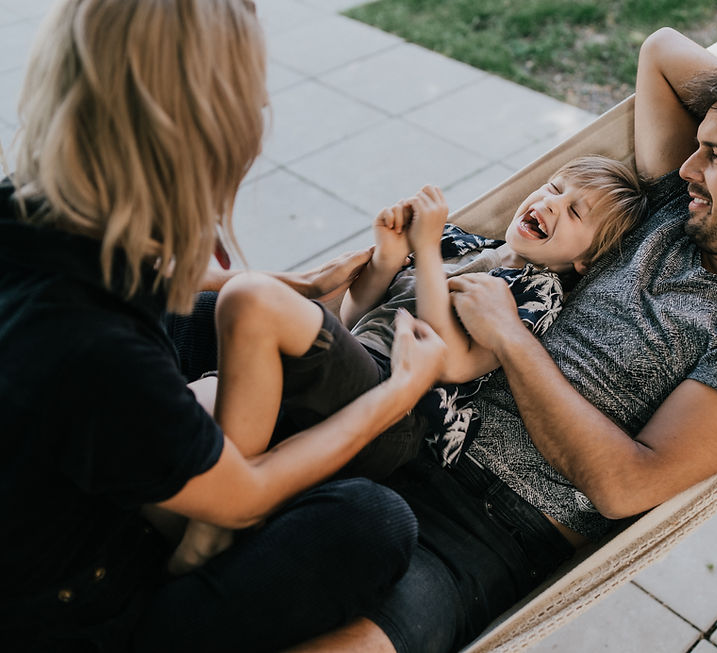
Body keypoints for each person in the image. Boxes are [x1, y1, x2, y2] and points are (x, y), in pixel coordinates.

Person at [291, 27, 717, 653]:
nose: (686, 167)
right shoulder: (677, 207)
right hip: (409, 426)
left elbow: (627, 485)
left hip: (491, 528)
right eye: (699, 146)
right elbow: (661, 49)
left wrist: (513, 341)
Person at [0, 2, 447, 652]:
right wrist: (398, 392)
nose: (262, 102)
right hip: (74, 611)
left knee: (214, 311)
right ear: (193, 133)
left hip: (43, 487)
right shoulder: (91, 348)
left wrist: (284, 285)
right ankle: (180, 548)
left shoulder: (21, 207)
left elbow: (119, 265)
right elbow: (248, 496)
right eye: (249, 94)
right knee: (372, 521)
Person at [168, 155, 653, 572]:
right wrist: (388, 255)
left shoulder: (537, 294)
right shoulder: (462, 243)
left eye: (573, 212)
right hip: (356, 366)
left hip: (402, 409)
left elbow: (455, 364)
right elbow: (359, 314)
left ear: (586, 261)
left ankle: (216, 525)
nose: (550, 203)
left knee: (255, 300)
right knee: (197, 410)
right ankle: (206, 513)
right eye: (553, 188)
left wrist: (422, 251)